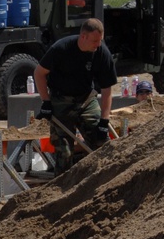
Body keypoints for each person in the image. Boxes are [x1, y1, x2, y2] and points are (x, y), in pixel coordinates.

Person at [33, 18, 117, 174]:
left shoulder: (101, 53)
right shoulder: (61, 49)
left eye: (100, 40)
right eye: (95, 41)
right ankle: (63, 187)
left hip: (86, 99)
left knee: (102, 143)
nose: (98, 45)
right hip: (61, 100)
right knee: (64, 152)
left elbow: (107, 90)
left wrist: (104, 121)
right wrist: (46, 102)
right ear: (83, 36)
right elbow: (39, 73)